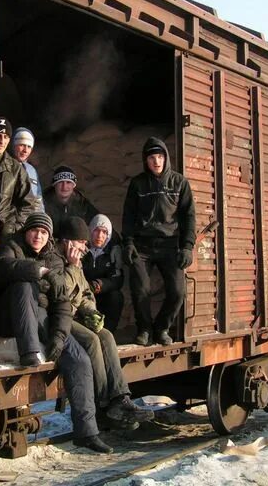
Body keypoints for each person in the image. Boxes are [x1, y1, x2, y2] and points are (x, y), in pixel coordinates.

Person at [0, 212, 113, 453]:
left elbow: (61, 304)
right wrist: (40, 271)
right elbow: (5, 267)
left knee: (79, 360)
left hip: (43, 319)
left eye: (44, 232)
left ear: (49, 236)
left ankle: (87, 432)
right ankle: (30, 351)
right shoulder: (12, 247)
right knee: (24, 285)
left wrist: (59, 336)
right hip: (9, 316)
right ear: (26, 231)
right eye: (34, 230)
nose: (38, 235)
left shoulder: (54, 259)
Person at [57, 216, 154, 428]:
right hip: (60, 316)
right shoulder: (57, 260)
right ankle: (103, 403)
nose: (85, 247)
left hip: (76, 314)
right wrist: (73, 267)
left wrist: (92, 314)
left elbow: (85, 294)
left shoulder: (77, 261)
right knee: (92, 341)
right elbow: (61, 293)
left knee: (106, 335)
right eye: (82, 242)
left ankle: (120, 398)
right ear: (67, 242)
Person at [122, 137, 196, 346]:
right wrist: (128, 243)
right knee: (141, 290)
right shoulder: (137, 184)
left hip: (169, 245)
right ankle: (144, 329)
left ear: (166, 158)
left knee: (177, 292)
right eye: (152, 157)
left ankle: (162, 328)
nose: (156, 161)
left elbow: (189, 216)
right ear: (146, 161)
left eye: (160, 156)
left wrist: (187, 247)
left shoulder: (179, 183)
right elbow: (128, 215)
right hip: (142, 246)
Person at [0, 117, 38, 242]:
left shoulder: (15, 169)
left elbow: (29, 205)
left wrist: (12, 228)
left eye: (6, 137)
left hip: (2, 238)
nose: (1, 141)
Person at [82, 214, 124, 332]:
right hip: (83, 294)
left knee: (116, 297)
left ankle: (109, 332)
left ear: (109, 235)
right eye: (96, 230)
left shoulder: (112, 253)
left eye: (104, 232)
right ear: (90, 231)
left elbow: (117, 280)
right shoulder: (82, 249)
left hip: (101, 294)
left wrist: (100, 284)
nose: (100, 236)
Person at [11, 127, 44, 211]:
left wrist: (40, 219)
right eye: (22, 145)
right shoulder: (6, 166)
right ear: (13, 145)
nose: (25, 150)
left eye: (29, 146)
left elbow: (38, 198)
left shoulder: (31, 170)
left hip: (30, 220)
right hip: (11, 220)